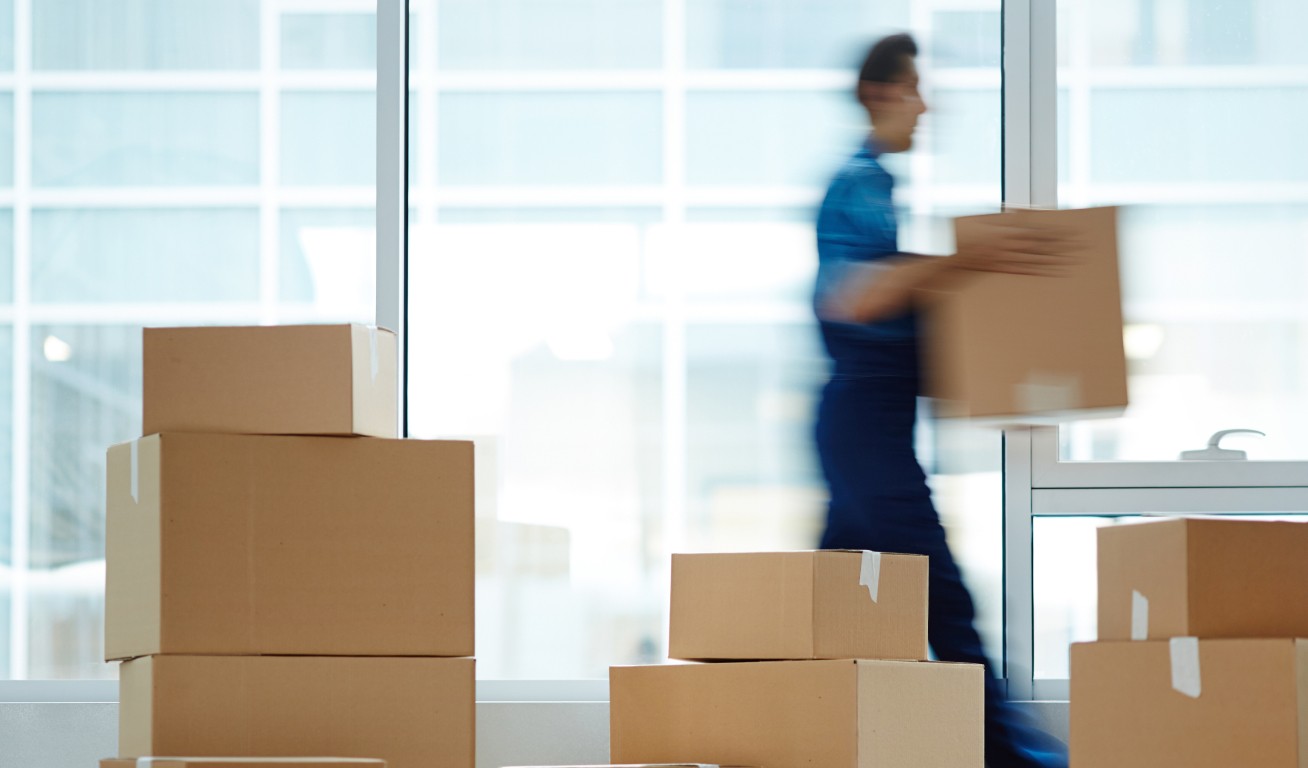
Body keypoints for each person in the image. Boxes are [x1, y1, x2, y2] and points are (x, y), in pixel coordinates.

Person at [813, 33, 1071, 768]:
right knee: (942, 597)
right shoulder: (859, 181)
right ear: (880, 94)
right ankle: (1011, 757)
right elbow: (853, 298)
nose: (926, 107)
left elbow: (895, 327)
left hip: (871, 429)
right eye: (915, 89)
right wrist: (970, 258)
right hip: (865, 431)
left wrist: (1003, 380)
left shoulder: (877, 188)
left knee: (829, 610)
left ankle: (796, 733)